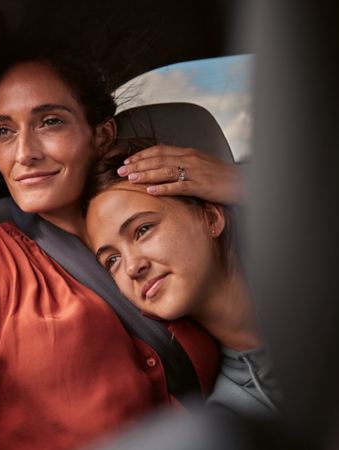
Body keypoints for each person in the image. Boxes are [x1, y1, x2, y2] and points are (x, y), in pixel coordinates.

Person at [0, 54, 242, 450]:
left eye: (49, 121)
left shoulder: (172, 226)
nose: (24, 153)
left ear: (101, 135)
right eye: (3, 131)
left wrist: (238, 184)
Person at [83, 138, 281, 420]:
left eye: (143, 230)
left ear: (212, 219)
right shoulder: (228, 415)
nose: (131, 267)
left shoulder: (333, 284)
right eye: (111, 260)